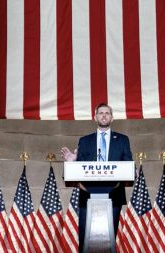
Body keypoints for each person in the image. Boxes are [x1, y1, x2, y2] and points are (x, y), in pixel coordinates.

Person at [61, 103, 132, 251]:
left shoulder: (123, 139)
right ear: (95, 117)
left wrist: (133, 170)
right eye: (101, 113)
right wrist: (72, 162)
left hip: (114, 195)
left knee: (108, 240)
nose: (104, 115)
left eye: (107, 113)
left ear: (111, 118)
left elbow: (128, 164)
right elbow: (78, 170)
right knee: (86, 240)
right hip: (87, 196)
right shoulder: (84, 141)